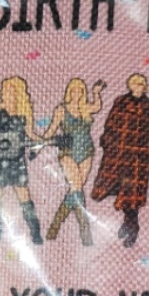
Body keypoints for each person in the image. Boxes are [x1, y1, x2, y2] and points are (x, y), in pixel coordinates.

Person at [91, 73, 149, 248]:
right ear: (130, 85)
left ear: (145, 87)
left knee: (131, 197)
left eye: (141, 84)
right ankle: (127, 224)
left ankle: (132, 228)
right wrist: (107, 142)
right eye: (135, 83)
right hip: (118, 155)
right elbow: (111, 123)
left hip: (137, 159)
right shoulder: (121, 101)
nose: (138, 87)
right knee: (118, 189)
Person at [43, 78, 105, 245]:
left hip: (86, 152)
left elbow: (97, 106)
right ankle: (85, 234)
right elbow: (51, 130)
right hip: (68, 153)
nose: (77, 93)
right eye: (74, 90)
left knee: (75, 190)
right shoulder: (61, 110)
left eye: (80, 90)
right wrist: (40, 142)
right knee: (76, 187)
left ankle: (54, 227)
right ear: (69, 91)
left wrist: (96, 93)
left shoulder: (85, 108)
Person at [0, 76, 43, 245]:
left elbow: (31, 134)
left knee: (23, 195)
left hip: (16, 160)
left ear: (17, 93)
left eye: (9, 91)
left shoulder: (24, 112)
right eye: (4, 91)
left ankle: (35, 231)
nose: (5, 94)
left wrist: (40, 143)